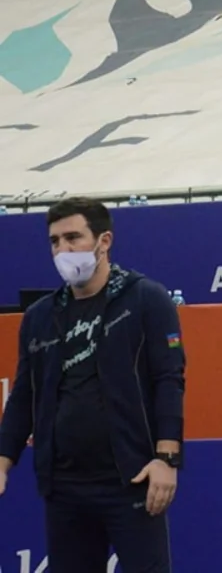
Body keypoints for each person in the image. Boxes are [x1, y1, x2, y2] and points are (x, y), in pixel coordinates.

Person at [0, 197, 185, 573]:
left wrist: (166, 460)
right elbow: (24, 396)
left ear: (104, 241)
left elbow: (169, 379)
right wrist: (2, 460)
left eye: (73, 238)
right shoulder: (40, 317)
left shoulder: (146, 298)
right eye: (55, 241)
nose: (63, 250)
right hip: (64, 488)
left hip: (132, 479)